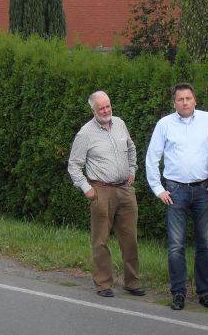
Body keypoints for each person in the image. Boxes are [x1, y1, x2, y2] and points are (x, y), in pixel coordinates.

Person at [145, 83, 208, 310]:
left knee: (205, 244)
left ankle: (205, 292)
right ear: (174, 103)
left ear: (195, 100)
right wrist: (158, 189)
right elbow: (152, 157)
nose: (185, 102)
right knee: (176, 246)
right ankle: (178, 293)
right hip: (175, 191)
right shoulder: (165, 124)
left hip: (203, 190)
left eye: (188, 98)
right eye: (180, 99)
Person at [67, 91, 144, 298]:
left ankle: (132, 282)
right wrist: (87, 189)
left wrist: (132, 170)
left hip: (125, 189)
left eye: (108, 106)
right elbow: (74, 165)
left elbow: (131, 148)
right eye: (101, 108)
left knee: (130, 239)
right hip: (101, 190)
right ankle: (103, 284)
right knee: (100, 240)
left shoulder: (119, 123)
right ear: (93, 110)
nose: (106, 110)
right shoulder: (85, 134)